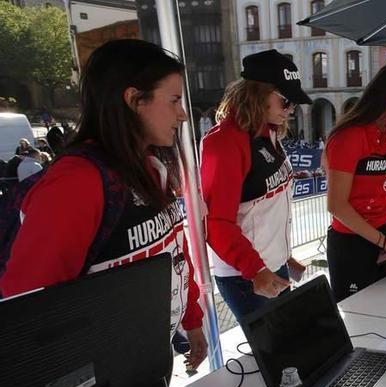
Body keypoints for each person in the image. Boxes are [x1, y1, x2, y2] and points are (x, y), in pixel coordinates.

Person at [0, 39, 207, 369]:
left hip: (149, 357)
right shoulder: (76, 182)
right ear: (134, 100)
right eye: (174, 100)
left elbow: (176, 253)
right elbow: (30, 310)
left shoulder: (152, 167)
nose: (183, 114)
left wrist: (192, 320)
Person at [201, 49, 312, 324]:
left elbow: (264, 210)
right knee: (281, 355)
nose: (291, 110)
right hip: (246, 275)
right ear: (257, 94)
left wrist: (284, 257)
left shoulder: (268, 132)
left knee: (293, 350)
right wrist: (256, 269)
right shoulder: (224, 143)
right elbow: (217, 223)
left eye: (294, 103)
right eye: (285, 101)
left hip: (268, 267)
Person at [324, 63, 386, 302]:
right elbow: (337, 205)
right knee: (358, 320)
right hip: (353, 243)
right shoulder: (349, 137)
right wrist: (385, 242)